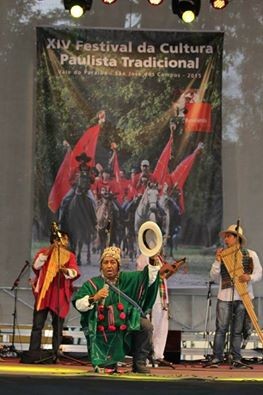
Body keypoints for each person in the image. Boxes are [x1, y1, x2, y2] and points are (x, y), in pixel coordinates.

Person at [72, 246, 160, 373]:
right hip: (104, 327)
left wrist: (152, 259)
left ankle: (139, 364)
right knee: (107, 368)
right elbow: (79, 304)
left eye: (112, 262)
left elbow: (148, 278)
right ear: (101, 266)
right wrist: (94, 298)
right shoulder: (92, 284)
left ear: (118, 265)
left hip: (127, 323)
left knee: (146, 326)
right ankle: (108, 363)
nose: (109, 266)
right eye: (105, 262)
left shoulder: (128, 279)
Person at [206, 224, 262, 367]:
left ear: (237, 238)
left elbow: (259, 273)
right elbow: (213, 277)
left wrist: (249, 277)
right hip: (225, 297)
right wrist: (218, 261)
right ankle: (217, 357)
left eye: (229, 236)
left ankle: (236, 357)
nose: (226, 238)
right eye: (226, 236)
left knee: (238, 330)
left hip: (243, 297)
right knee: (221, 329)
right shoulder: (222, 255)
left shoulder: (250, 254)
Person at [29, 230, 80, 355]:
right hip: (44, 294)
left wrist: (65, 270)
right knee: (37, 325)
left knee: (57, 327)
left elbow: (74, 272)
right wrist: (51, 249)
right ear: (56, 240)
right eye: (64, 239)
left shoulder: (69, 256)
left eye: (66, 240)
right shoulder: (43, 253)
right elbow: (36, 266)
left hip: (59, 295)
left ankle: (54, 353)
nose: (66, 242)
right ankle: (33, 352)